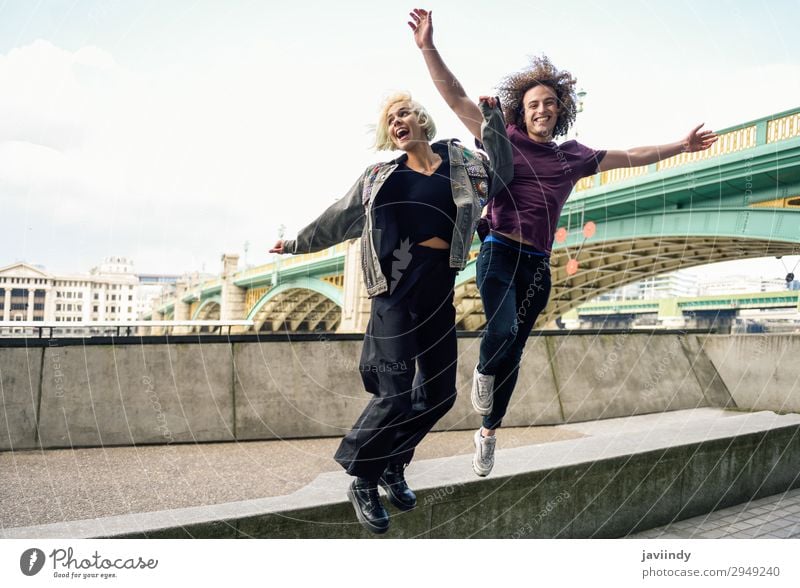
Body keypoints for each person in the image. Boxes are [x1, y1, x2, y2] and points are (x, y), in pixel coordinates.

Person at [408, 7, 718, 477]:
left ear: (560, 110)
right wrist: (428, 46)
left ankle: (488, 431)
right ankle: (482, 373)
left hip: (538, 264)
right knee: (503, 332)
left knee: (515, 350)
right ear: (521, 110)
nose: (541, 110)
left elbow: (632, 155)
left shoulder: (573, 157)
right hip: (499, 253)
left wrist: (681, 145)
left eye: (549, 103)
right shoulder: (502, 139)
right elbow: (455, 99)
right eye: (533, 103)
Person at [270, 91, 511, 534]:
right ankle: (364, 477)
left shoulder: (463, 163)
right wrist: (297, 243)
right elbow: (337, 217)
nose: (397, 121)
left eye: (403, 113)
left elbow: (503, 169)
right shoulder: (379, 175)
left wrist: (493, 117)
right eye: (389, 119)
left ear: (420, 119)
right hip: (393, 287)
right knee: (397, 391)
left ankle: (393, 465)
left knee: (439, 394)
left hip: (440, 283)